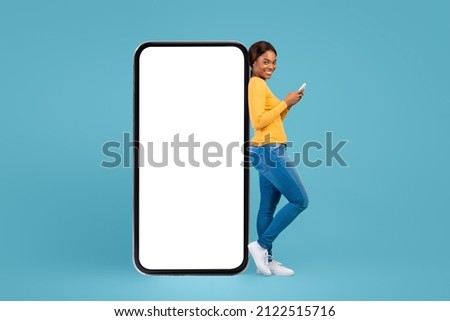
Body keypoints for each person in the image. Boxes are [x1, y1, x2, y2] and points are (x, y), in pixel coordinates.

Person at [247, 41, 309, 276]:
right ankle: (261, 246)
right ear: (253, 63)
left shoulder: (261, 85)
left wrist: (288, 106)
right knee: (300, 200)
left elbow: (272, 122)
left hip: (267, 148)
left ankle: (267, 261)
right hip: (268, 151)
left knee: (267, 208)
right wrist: (284, 102)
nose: (270, 66)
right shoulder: (255, 84)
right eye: (265, 61)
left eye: (274, 62)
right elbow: (258, 122)